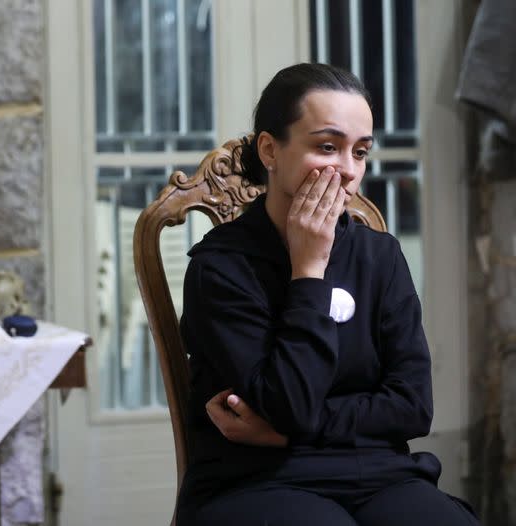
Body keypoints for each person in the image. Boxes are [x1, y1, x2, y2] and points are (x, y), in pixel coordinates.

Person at [176, 63, 478, 525]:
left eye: (360, 152)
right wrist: (309, 270)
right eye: (327, 147)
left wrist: (290, 431)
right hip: (258, 479)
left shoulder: (380, 256)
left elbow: (413, 407)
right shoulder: (220, 267)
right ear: (270, 149)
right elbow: (290, 403)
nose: (348, 172)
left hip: (380, 474)